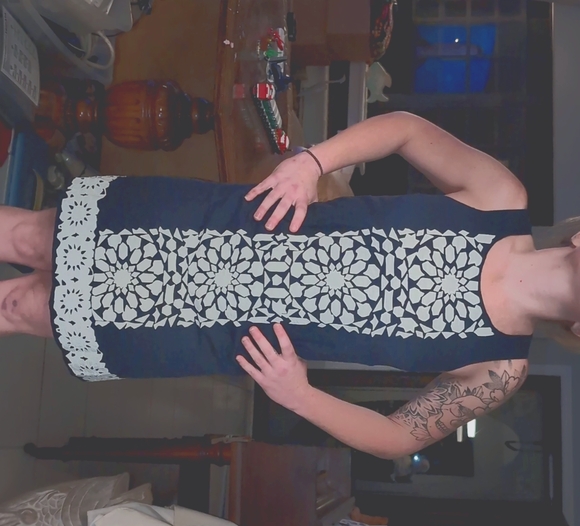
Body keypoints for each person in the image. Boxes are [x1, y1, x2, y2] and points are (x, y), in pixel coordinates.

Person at [0, 112, 568, 459]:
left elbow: (401, 438)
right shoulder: (501, 197)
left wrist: (300, 395)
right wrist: (312, 164)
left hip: (208, 331)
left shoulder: (501, 369)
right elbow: (407, 131)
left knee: (23, 307)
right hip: (219, 224)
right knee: (32, 238)